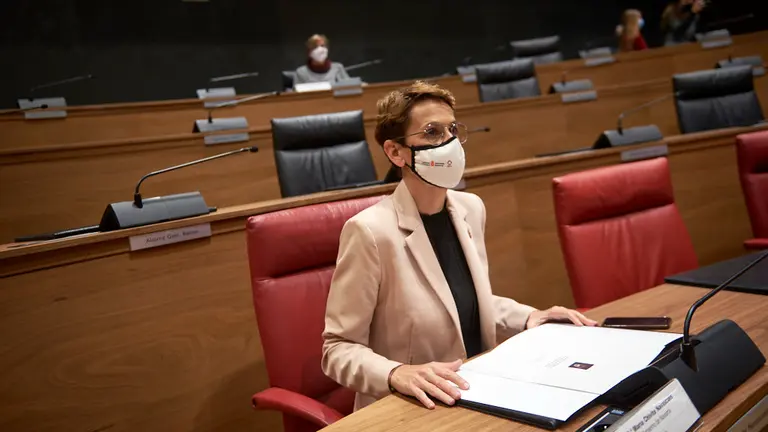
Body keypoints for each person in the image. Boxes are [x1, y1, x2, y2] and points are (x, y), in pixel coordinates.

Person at [321, 80, 597, 411]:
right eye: (432, 132)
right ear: (395, 152)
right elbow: (337, 348)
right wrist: (395, 372)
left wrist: (531, 317)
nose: (448, 141)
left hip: (477, 390)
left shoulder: (470, 208)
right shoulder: (369, 232)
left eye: (452, 129)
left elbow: (463, 299)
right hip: (408, 408)